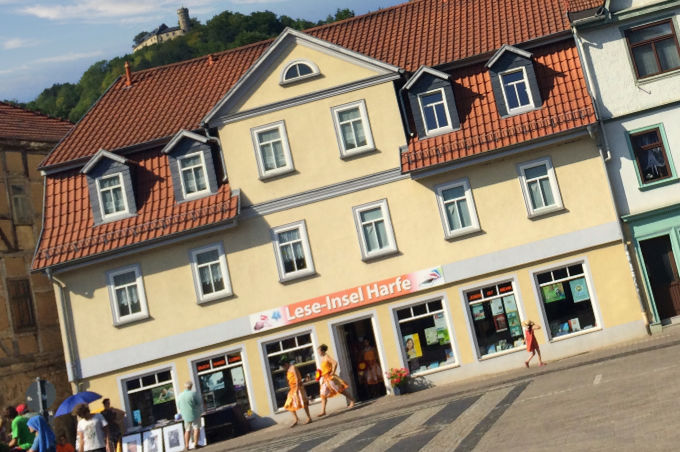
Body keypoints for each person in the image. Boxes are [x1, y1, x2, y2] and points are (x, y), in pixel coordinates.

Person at [317, 344, 355, 417]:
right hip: (325, 379)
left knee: (341, 390)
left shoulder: (327, 357)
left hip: (330, 378)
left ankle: (352, 400)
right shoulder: (322, 358)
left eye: (319, 351)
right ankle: (323, 411)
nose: (318, 353)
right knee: (323, 394)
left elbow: (335, 363)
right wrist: (320, 374)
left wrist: (333, 372)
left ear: (322, 351)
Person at [281, 358, 312, 427]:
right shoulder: (288, 370)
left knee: (303, 403)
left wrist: (297, 389)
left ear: (286, 364)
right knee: (288, 404)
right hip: (292, 389)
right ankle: (296, 419)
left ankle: (309, 417)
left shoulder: (293, 367)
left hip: (298, 388)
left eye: (283, 367)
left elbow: (297, 378)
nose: (283, 368)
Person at [177, 382, 202, 450]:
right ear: (191, 387)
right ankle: (196, 444)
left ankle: (187, 446)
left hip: (185, 415)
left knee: (187, 430)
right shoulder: (193, 394)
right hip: (195, 414)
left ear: (185, 387)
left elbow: (178, 406)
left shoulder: (180, 395)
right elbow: (199, 403)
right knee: (196, 429)